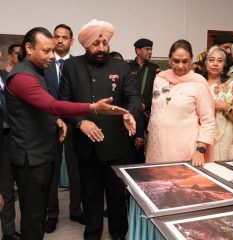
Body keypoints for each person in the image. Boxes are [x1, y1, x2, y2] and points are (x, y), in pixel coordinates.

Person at [5, 27, 129, 240]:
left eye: (52, 50)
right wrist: (91, 108)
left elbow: (39, 109)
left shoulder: (37, 71)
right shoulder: (22, 77)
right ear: (28, 48)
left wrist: (56, 121)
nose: (52, 56)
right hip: (30, 158)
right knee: (33, 219)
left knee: (37, 214)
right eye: (46, 51)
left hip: (43, 154)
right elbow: (53, 104)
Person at [59, 19, 141, 240]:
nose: (102, 48)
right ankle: (92, 234)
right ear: (86, 44)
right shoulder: (71, 67)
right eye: (96, 44)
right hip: (85, 147)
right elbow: (63, 103)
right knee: (90, 196)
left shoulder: (121, 67)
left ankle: (118, 234)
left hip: (116, 146)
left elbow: (133, 97)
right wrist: (80, 122)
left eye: (105, 43)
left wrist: (128, 113)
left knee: (116, 197)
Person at [43, 24, 86, 234]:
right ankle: (51, 214)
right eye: (57, 37)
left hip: (74, 123)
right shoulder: (44, 64)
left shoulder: (79, 64)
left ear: (71, 41)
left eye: (64, 37)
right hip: (49, 124)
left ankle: (76, 210)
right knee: (51, 170)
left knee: (76, 168)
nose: (60, 41)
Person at [146, 39, 216, 166]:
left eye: (185, 61)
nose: (180, 66)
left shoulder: (198, 84)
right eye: (176, 61)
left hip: (185, 150)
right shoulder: (160, 78)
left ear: (191, 60)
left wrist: (200, 150)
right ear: (169, 59)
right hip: (157, 147)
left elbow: (208, 120)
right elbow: (154, 112)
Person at [128, 38, 161, 163]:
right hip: (131, 112)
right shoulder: (128, 67)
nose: (150, 52)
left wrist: (145, 104)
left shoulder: (154, 69)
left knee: (147, 147)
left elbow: (158, 92)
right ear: (138, 51)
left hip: (148, 113)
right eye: (147, 49)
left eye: (151, 49)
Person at [1, 69, 21, 240]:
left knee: (14, 185)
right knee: (5, 187)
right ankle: (8, 231)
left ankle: (11, 231)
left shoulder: (8, 77)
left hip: (15, 136)